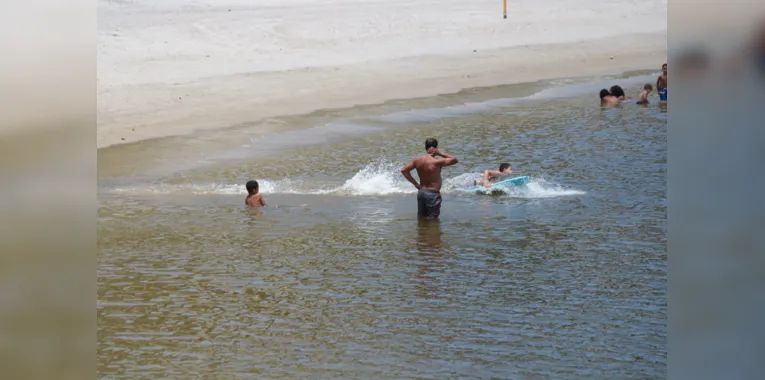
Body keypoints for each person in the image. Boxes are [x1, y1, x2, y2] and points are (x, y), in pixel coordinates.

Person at [400, 138, 459, 219]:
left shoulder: (417, 160)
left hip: (421, 192)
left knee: (422, 218)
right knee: (433, 221)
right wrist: (440, 153)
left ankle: (422, 231)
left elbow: (404, 170)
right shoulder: (437, 161)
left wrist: (416, 184)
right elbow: (455, 160)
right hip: (432, 194)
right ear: (436, 147)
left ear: (425, 147)